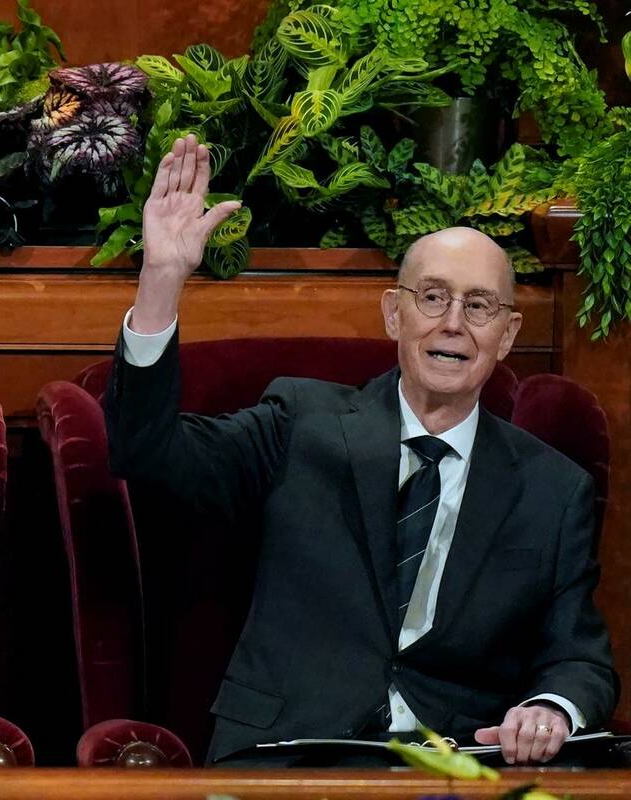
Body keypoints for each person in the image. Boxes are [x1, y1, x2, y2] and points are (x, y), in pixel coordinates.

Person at [105, 134, 617, 767]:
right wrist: (161, 280)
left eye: (479, 306)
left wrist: (552, 707)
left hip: (454, 769)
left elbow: (578, 657)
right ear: (393, 315)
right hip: (287, 757)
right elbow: (146, 454)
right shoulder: (301, 423)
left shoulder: (551, 489)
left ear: (507, 334)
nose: (452, 322)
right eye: (431, 297)